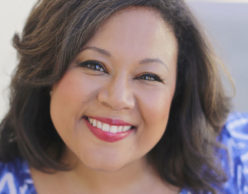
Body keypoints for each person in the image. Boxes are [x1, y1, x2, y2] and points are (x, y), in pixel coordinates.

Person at [0, 0, 247, 193]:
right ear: (47, 71)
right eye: (95, 66)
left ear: (177, 92)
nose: (117, 99)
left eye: (148, 76)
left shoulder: (239, 159)